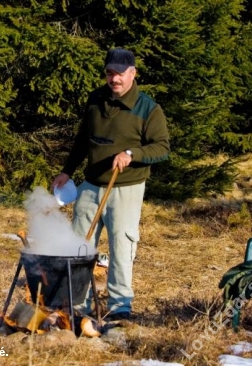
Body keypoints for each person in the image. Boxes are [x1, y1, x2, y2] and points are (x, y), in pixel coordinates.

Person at [51, 47, 170, 320]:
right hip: (91, 186)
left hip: (126, 188)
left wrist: (132, 154)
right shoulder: (96, 100)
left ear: (133, 74)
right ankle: (77, 304)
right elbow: (83, 139)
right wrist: (68, 171)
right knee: (79, 244)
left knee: (121, 245)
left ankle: (120, 307)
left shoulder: (148, 109)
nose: (114, 79)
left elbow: (162, 147)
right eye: (109, 73)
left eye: (120, 74)